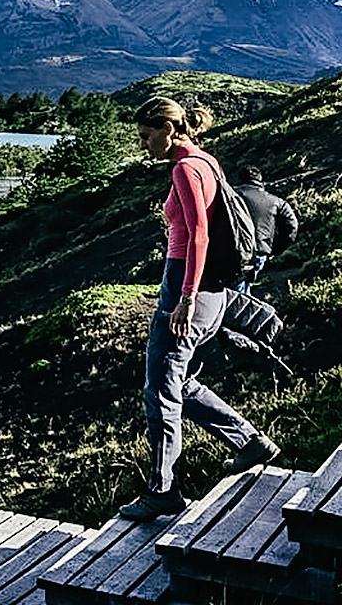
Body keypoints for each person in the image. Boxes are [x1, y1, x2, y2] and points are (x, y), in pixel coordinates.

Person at [119, 97, 281, 522]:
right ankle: (249, 443)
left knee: (160, 390)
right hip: (215, 291)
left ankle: (163, 491)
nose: (144, 144)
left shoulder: (185, 167)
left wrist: (185, 298)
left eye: (146, 135)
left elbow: (200, 236)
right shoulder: (207, 160)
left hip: (190, 288)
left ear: (169, 129)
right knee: (184, 383)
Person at [232, 165, 298, 294]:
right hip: (259, 252)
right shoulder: (276, 201)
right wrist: (274, 249)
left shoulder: (231, 196)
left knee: (233, 293)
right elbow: (291, 226)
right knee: (244, 288)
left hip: (231, 251)